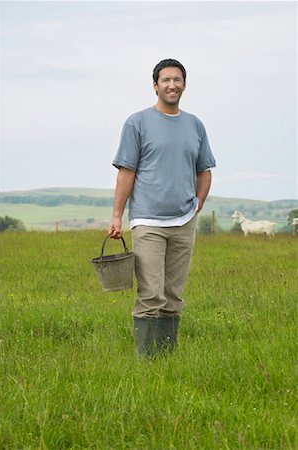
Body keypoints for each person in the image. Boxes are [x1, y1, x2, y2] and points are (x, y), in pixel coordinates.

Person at [108, 58, 216, 357]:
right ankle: (147, 362)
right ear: (155, 86)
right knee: (151, 293)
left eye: (177, 79)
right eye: (166, 80)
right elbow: (126, 172)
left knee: (173, 295)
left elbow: (205, 169)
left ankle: (167, 361)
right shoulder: (137, 122)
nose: (172, 85)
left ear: (184, 85)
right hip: (147, 221)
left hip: (184, 221)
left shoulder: (195, 124)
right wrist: (117, 216)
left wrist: (198, 203)